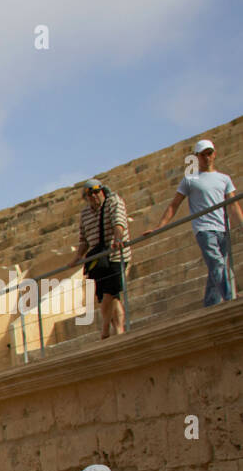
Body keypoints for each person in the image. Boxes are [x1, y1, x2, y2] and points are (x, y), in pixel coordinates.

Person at [146, 140, 241, 307]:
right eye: (203, 154)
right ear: (196, 157)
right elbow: (174, 205)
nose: (207, 157)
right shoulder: (190, 180)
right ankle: (231, 297)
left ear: (214, 154)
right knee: (218, 264)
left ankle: (210, 306)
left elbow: (233, 204)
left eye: (209, 153)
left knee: (216, 269)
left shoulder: (224, 179)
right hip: (204, 229)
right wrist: (159, 226)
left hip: (222, 229)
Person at [69, 178, 131, 337]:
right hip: (98, 260)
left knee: (111, 292)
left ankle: (104, 328)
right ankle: (119, 330)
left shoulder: (113, 202)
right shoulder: (84, 214)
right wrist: (78, 256)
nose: (94, 196)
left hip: (117, 255)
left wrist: (117, 239)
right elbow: (84, 240)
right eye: (89, 194)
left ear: (103, 191)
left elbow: (119, 223)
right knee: (110, 296)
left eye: (97, 191)